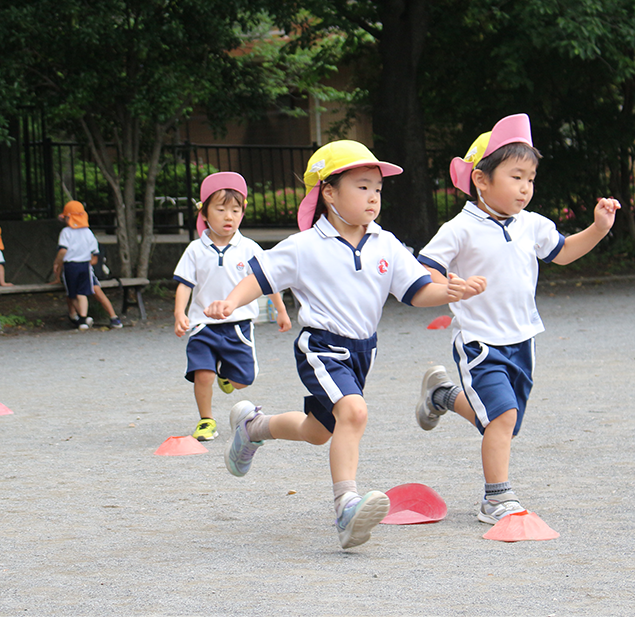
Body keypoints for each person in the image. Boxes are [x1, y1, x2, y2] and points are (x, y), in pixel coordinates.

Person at [204, 141, 477, 549]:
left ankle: (253, 427)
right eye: (362, 187)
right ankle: (346, 507)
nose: (373, 197)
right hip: (321, 347)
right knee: (354, 410)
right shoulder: (305, 246)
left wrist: (451, 293)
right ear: (329, 193)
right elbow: (260, 279)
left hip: (363, 350)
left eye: (378, 190)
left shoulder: (386, 243)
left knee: (319, 431)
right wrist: (230, 301)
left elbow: (418, 291)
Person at [414, 114, 620, 527]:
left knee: (501, 423)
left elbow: (563, 252)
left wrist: (598, 228)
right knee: (502, 417)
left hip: (523, 340)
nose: (525, 187)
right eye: (516, 176)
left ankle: (442, 396)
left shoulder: (533, 225)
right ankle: (496, 498)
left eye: (530, 178)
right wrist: (449, 286)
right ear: (482, 180)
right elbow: (426, 269)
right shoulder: (460, 228)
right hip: (478, 341)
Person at [174, 172, 292, 442]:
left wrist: (281, 310)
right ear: (204, 213)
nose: (229, 216)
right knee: (202, 375)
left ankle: (227, 377)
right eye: (221, 209)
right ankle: (206, 420)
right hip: (202, 326)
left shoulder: (249, 248)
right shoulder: (194, 249)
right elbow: (184, 284)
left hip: (238, 327)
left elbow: (268, 281)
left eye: (235, 210)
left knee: (243, 381)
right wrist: (179, 313)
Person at [51, 201, 100, 331]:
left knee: (72, 294)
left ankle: (82, 319)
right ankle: (84, 318)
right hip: (85, 265)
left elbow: (62, 250)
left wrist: (57, 262)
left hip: (71, 266)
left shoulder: (66, 232)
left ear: (68, 217)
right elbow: (94, 251)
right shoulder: (88, 232)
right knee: (83, 293)